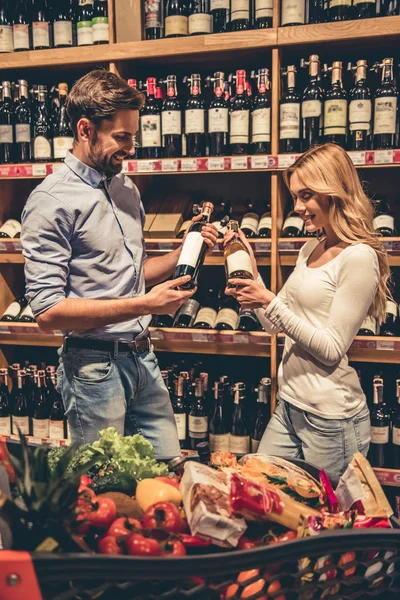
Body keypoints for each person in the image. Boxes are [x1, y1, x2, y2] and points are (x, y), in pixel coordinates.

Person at [21, 70, 218, 459]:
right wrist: (146, 304)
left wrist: (181, 255)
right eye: (122, 137)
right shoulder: (50, 201)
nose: (131, 148)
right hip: (92, 367)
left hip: (142, 356)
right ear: (85, 129)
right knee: (103, 484)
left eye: (133, 137)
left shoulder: (125, 188)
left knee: (166, 468)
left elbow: (126, 276)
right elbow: (47, 312)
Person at [225, 143, 390, 483]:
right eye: (295, 197)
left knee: (330, 521)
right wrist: (251, 274)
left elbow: (331, 350)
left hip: (332, 420)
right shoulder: (310, 248)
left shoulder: (358, 257)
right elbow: (273, 324)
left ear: (334, 193)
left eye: (306, 196)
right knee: (260, 490)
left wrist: (268, 300)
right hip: (290, 403)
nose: (297, 207)